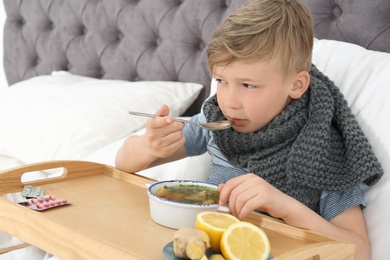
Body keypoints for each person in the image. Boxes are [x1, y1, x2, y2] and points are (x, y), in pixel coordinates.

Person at [115, 0, 383, 258]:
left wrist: (286, 207)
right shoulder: (215, 123)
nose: (229, 102)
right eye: (221, 80)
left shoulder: (323, 150)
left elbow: (358, 251)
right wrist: (149, 145)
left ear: (297, 85)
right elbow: (123, 163)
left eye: (248, 85)